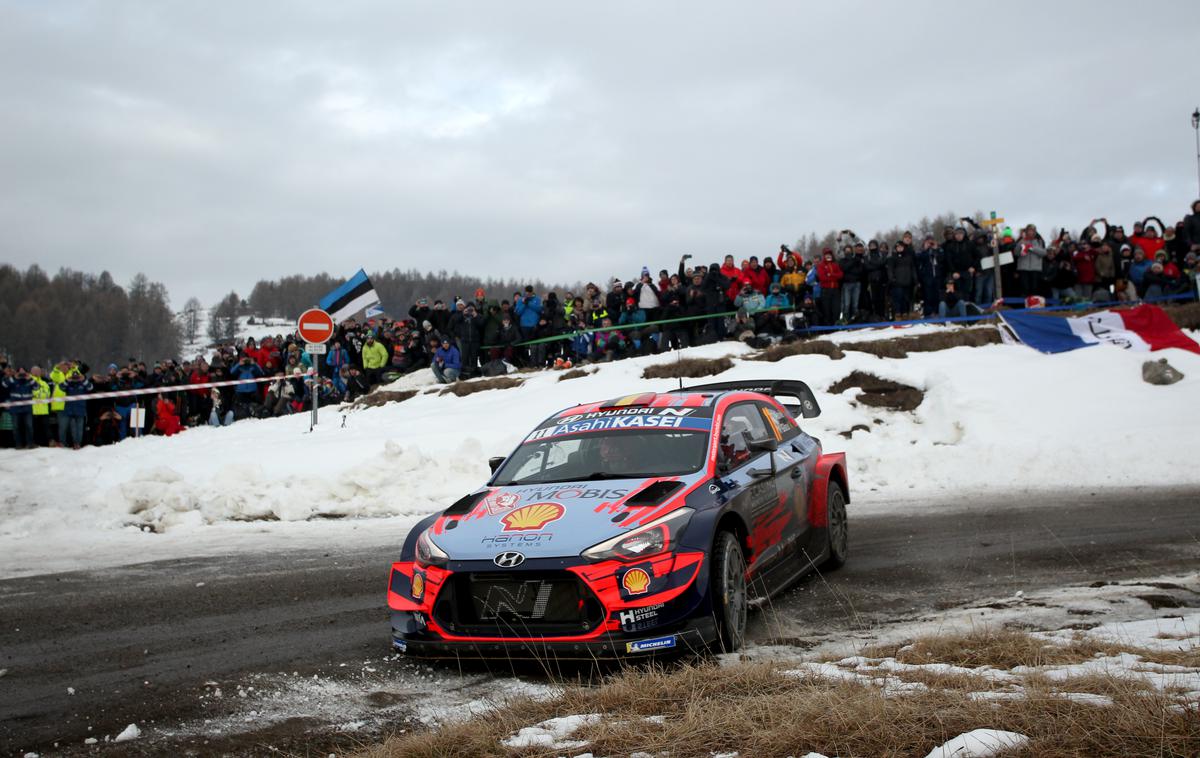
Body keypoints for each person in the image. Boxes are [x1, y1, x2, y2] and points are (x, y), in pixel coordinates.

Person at [59, 369, 92, 449]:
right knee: (72, 427)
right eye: (74, 377)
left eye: (76, 377)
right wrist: (67, 380)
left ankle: (78, 444)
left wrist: (83, 379)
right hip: (69, 409)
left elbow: (90, 388)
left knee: (80, 428)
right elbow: (61, 387)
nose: (75, 378)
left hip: (80, 409)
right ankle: (72, 442)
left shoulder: (83, 383)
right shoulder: (69, 384)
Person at [1014, 225, 1047, 297]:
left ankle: (1034, 306)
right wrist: (1021, 245)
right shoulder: (1021, 240)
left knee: (1034, 289)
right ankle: (1024, 306)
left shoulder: (1039, 241)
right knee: (1024, 289)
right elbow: (1016, 253)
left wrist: (1032, 248)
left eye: (1032, 230)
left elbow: (1044, 253)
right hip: (1023, 268)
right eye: (1029, 230)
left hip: (1035, 269)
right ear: (1026, 231)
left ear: (1035, 232)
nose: (1030, 232)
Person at [816, 249, 843, 325]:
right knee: (827, 310)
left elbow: (840, 275)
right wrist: (834, 276)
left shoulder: (835, 264)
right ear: (824, 256)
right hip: (826, 290)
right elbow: (822, 278)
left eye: (829, 254)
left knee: (836, 309)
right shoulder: (821, 265)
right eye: (826, 254)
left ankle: (836, 324)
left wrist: (831, 274)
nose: (828, 256)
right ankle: (828, 327)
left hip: (835, 290)